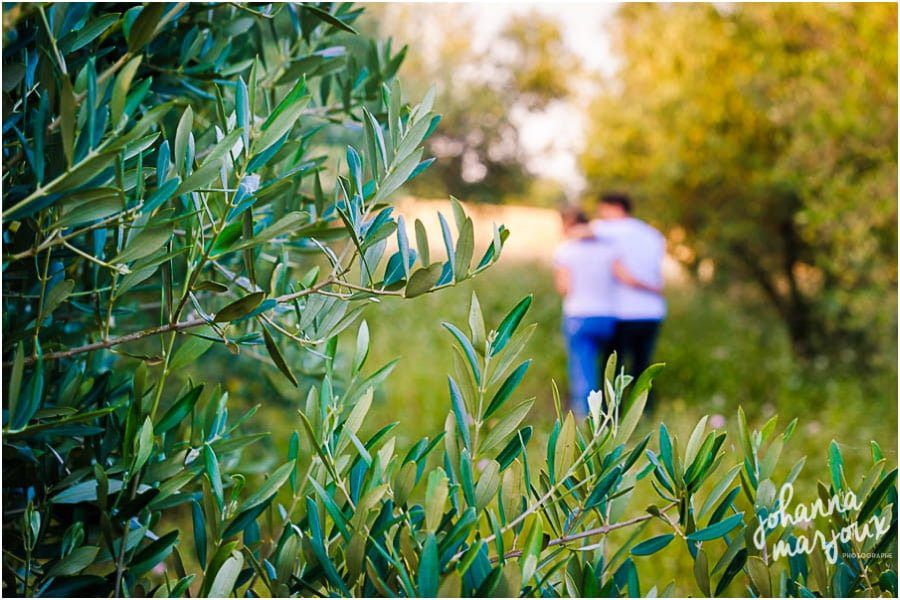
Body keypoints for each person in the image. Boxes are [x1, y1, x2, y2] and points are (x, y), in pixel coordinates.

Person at [592, 192, 666, 395]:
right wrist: (654, 289)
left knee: (612, 368)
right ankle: (643, 410)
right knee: (642, 366)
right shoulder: (652, 233)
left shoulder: (607, 229)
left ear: (614, 207)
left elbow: (576, 232)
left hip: (622, 311)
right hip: (652, 311)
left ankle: (609, 414)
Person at [553, 207, 619, 417]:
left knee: (582, 370)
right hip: (608, 316)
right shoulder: (607, 249)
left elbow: (564, 288)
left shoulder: (566, 251)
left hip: (579, 315)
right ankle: (611, 413)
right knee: (607, 368)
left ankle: (586, 418)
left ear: (568, 223)